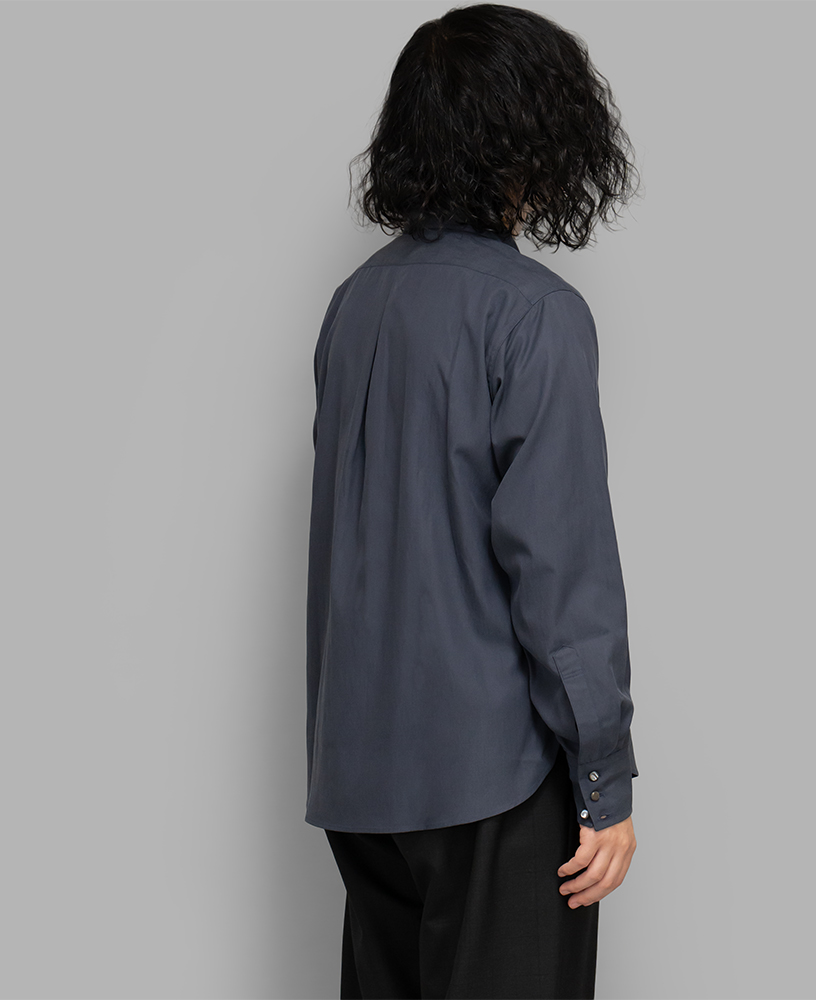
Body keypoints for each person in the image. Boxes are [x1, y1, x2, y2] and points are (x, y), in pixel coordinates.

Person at [305, 4, 643, 997]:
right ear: (537, 137)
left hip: (360, 780)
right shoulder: (533, 313)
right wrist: (603, 773)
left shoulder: (355, 304)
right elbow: (560, 567)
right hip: (492, 777)